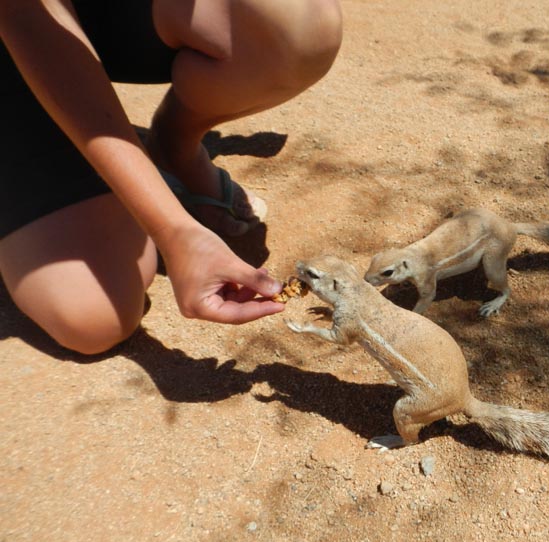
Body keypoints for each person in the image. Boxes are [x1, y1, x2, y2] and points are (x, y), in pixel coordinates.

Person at [0, 0, 343, 355]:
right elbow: (27, 20)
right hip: (23, 21)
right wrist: (174, 230)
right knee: (94, 313)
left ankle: (173, 147)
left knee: (303, 23)